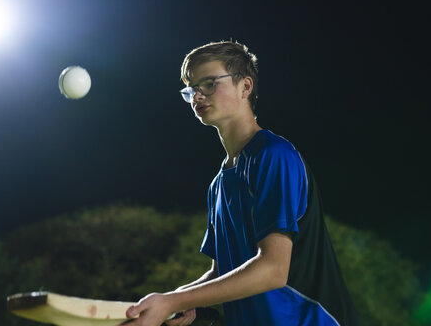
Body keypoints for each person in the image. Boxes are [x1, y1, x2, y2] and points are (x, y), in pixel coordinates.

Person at [125, 41, 360, 325]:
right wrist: (174, 303)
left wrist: (174, 301)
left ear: (245, 87)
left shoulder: (274, 156)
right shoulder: (218, 185)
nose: (197, 96)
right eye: (191, 90)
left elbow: (273, 269)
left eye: (209, 84)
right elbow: (222, 273)